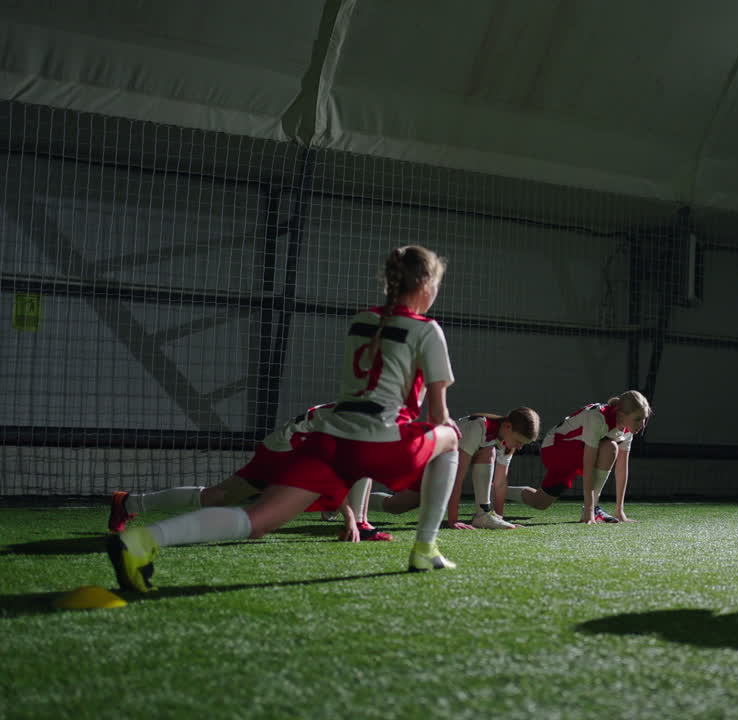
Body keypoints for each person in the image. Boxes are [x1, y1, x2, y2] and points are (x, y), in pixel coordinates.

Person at [107, 245, 460, 592]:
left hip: (331, 440)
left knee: (257, 519)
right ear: (426, 284)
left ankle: (143, 540)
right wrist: (439, 432)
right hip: (381, 442)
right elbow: (437, 413)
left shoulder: (361, 320)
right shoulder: (427, 329)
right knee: (452, 436)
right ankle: (425, 549)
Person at [106, 403, 390, 541]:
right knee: (255, 516)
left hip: (279, 447)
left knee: (217, 496)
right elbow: (326, 468)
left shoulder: (361, 411)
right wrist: (350, 517)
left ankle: (129, 502)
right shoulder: (358, 422)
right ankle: (359, 525)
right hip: (285, 453)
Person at [368, 408, 540, 529]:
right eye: (519, 442)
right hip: (430, 460)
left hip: (445, 468)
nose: (519, 448)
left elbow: (500, 483)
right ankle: (355, 502)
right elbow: (456, 476)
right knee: (396, 506)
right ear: (508, 427)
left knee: (488, 451)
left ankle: (483, 515)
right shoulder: (478, 427)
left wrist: (500, 519)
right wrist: (453, 520)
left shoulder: (506, 443)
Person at [497, 392, 650, 524]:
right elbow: (588, 464)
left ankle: (497, 492)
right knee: (610, 447)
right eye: (638, 419)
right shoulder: (598, 418)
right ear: (622, 415)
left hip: (577, 453)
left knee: (540, 502)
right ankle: (593, 508)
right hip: (556, 449)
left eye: (645, 418)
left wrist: (619, 511)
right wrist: (589, 510)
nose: (642, 424)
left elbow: (622, 468)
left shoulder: (628, 428)